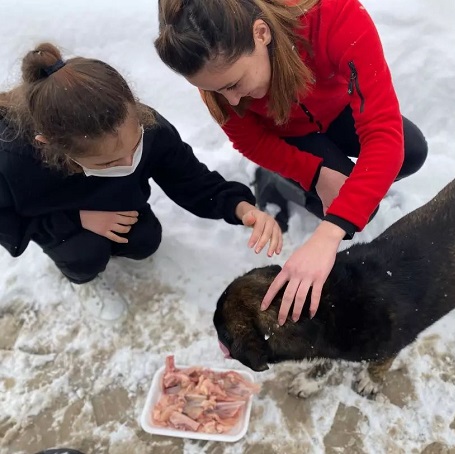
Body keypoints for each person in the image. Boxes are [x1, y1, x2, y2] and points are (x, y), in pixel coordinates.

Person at [153, 0, 428, 325]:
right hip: (286, 131)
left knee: (410, 152)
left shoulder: (336, 16)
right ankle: (275, 181)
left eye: (233, 84)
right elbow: (251, 141)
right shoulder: (216, 72)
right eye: (213, 91)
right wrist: (315, 173)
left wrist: (328, 234)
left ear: (261, 33)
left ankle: (323, 185)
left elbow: (383, 133)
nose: (232, 101)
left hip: (336, 109)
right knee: (353, 207)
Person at [0, 43, 283, 322]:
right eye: (108, 163)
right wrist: (74, 221)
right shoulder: (13, 159)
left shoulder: (146, 126)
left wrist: (240, 207)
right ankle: (82, 279)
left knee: (145, 240)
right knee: (85, 255)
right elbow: (7, 223)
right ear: (52, 146)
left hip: (121, 208)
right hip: (58, 220)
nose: (128, 163)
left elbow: (188, 178)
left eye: (135, 147)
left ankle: (107, 247)